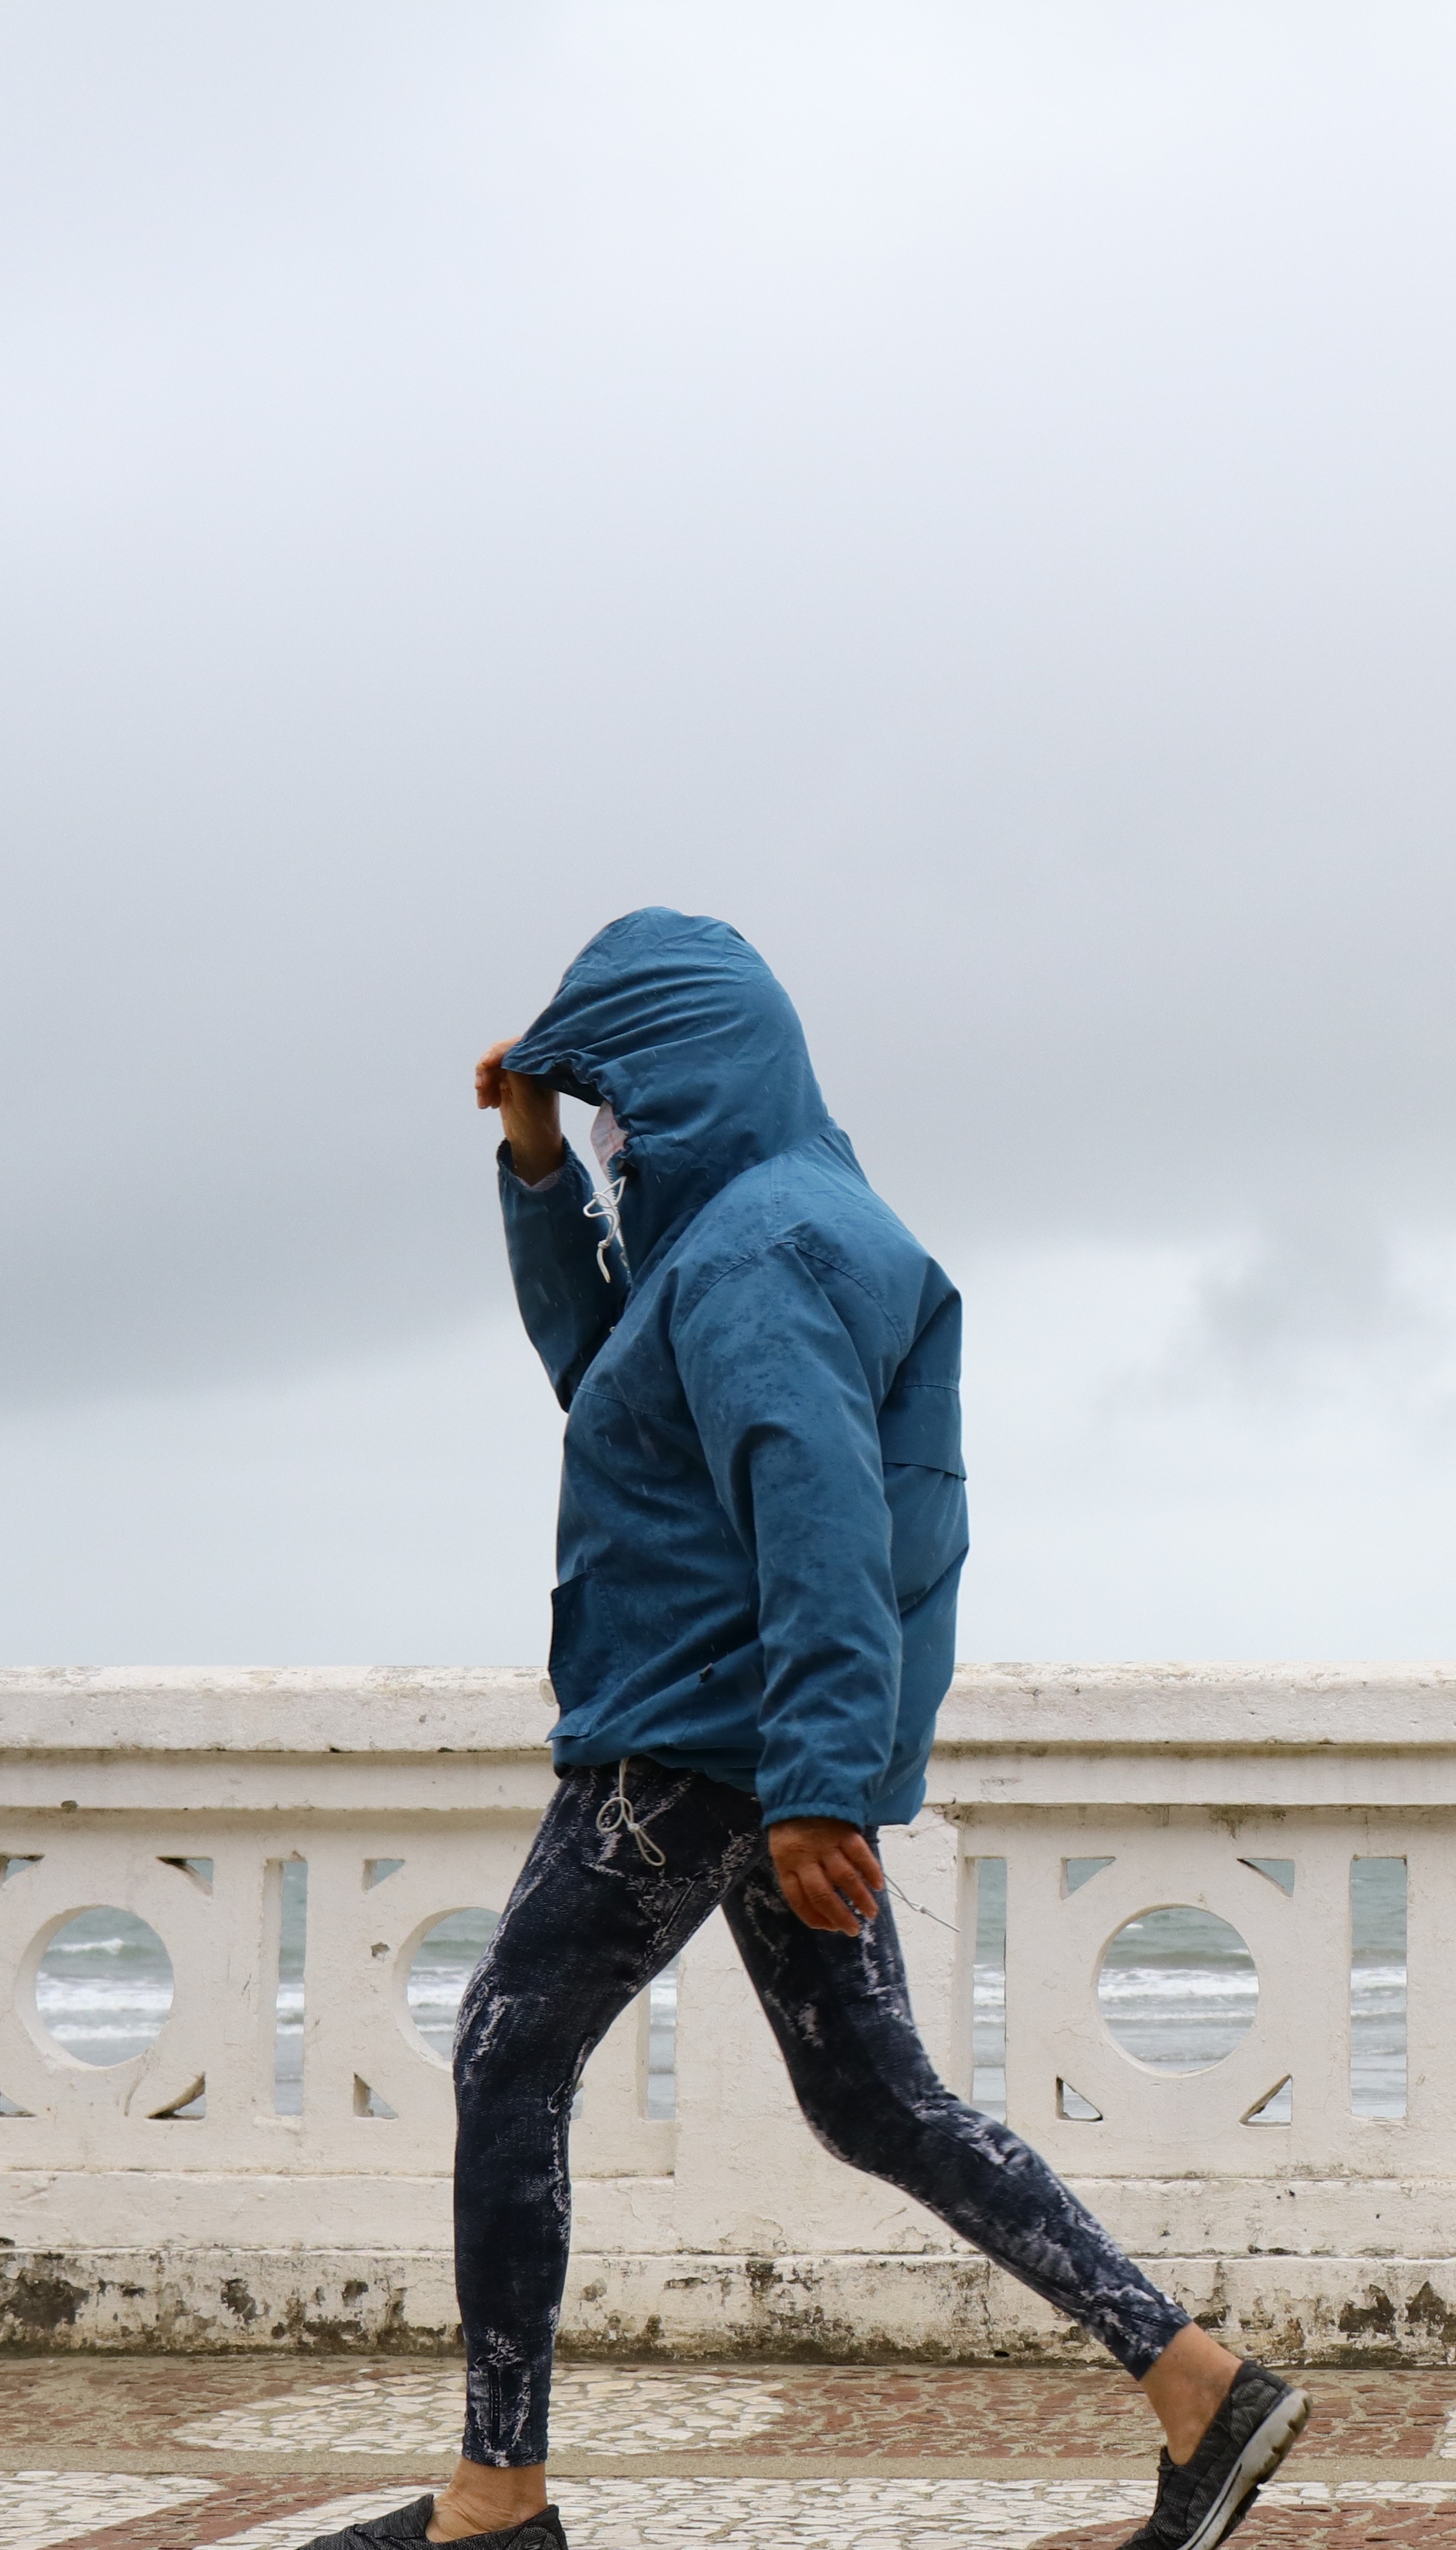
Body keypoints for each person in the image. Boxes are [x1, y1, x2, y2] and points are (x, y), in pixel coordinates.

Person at [310, 909, 1304, 2550]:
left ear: (694, 1076)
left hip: (703, 1734)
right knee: (876, 2099)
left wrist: (818, 1781)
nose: (619, 1132)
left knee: (507, 2046)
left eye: (621, 1099)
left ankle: (496, 2503)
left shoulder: (762, 1249)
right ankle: (1202, 2383)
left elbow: (827, 1509)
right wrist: (538, 1159)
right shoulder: (752, 1234)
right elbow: (604, 1367)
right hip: (751, 1743)